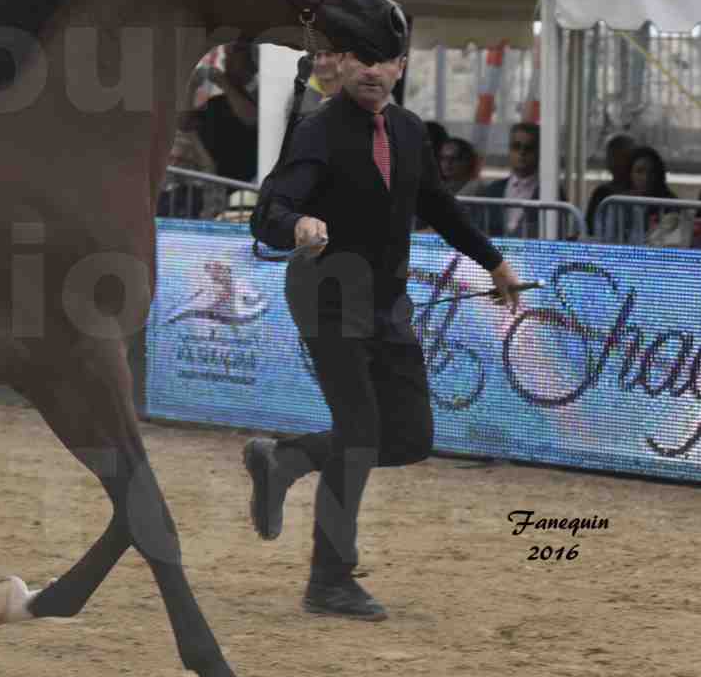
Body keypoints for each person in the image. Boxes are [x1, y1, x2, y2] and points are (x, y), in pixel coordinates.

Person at [244, 48, 525, 620]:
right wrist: (295, 224)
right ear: (341, 64)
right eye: (361, 60)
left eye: (385, 60)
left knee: (411, 436)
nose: (373, 71)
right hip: (326, 297)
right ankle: (329, 580)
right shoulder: (318, 130)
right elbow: (267, 212)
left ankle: (285, 459)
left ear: (400, 66)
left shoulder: (407, 130)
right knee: (361, 433)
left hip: (387, 305)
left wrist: (492, 262)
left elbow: (439, 207)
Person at [191, 40, 260, 183]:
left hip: (241, 182)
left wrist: (223, 82)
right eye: (226, 54)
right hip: (209, 179)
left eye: (233, 53)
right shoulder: (216, 101)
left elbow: (251, 119)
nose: (225, 59)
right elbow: (185, 123)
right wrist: (191, 86)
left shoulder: (259, 95)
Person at [478, 122, 560, 238]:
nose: (522, 153)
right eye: (516, 146)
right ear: (509, 150)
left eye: (529, 148)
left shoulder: (551, 192)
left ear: (539, 152)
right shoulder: (493, 190)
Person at [601, 146, 693, 248]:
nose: (646, 177)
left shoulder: (671, 204)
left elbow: (673, 246)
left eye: (652, 172)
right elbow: (609, 240)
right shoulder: (617, 203)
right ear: (630, 173)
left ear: (658, 174)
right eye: (639, 171)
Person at [584, 133, 638, 235]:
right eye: (612, 157)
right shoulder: (601, 193)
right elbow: (589, 229)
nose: (615, 162)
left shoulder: (647, 193)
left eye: (623, 157)